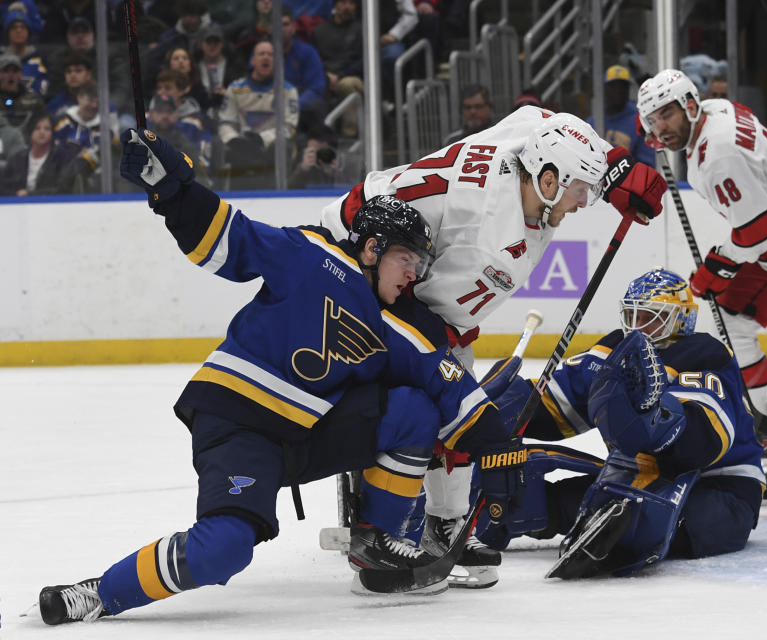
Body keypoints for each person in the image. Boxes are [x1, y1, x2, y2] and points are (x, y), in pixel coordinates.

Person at [36, 128, 516, 624]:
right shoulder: (311, 255)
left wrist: (503, 454)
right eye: (407, 259)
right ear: (372, 248)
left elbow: (452, 388)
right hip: (239, 424)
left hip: (305, 436)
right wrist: (173, 189)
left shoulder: (404, 321)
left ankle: (374, 544)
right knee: (223, 549)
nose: (414, 274)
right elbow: (229, 237)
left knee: (414, 407)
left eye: (420, 265)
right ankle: (97, 592)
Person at [319, 106, 669, 586]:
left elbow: (541, 115)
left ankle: (445, 525)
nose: (586, 202)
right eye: (579, 190)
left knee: (455, 400)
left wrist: (615, 166)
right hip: (352, 264)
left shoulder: (529, 144)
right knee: (431, 405)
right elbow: (429, 318)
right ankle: (382, 531)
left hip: (381, 228)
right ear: (548, 181)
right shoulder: (492, 243)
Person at [474, 268, 764, 577]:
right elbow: (560, 402)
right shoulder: (614, 352)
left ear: (681, 319)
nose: (639, 327)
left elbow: (705, 440)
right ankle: (489, 514)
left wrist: (656, 420)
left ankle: (632, 532)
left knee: (698, 520)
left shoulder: (704, 354)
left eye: (651, 317)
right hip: (641, 477)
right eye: (632, 315)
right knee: (545, 496)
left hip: (721, 487)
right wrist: (505, 408)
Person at [637, 68, 767, 430]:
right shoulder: (717, 110)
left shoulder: (718, 156)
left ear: (690, 105)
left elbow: (760, 232)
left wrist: (718, 265)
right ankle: (759, 423)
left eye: (667, 114)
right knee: (735, 320)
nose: (660, 128)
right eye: (651, 120)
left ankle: (758, 428)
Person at [218, 39, 298, 190]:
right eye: (261, 54)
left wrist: (262, 138)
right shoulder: (236, 89)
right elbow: (225, 123)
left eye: (270, 54)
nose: (266, 57)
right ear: (253, 60)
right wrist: (233, 139)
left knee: (283, 148)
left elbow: (289, 127)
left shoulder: (288, 90)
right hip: (241, 148)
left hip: (271, 148)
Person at [311, 0, 363, 137]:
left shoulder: (362, 30)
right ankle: (319, 135)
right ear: (335, 5)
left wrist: (340, 76)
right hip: (326, 76)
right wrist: (327, 76)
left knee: (347, 84)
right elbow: (315, 60)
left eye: (351, 3)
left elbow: (363, 62)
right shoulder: (319, 31)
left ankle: (349, 135)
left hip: (354, 77)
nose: (347, 7)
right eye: (343, 3)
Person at [587, 64, 655, 168]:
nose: (618, 91)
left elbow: (646, 165)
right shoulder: (594, 121)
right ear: (605, 89)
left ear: (628, 90)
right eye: (613, 86)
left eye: (622, 86)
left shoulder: (639, 121)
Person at [0, 111, 75, 195]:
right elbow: (3, 188)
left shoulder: (62, 157)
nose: (42, 132)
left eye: (47, 129)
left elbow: (63, 189)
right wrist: (16, 194)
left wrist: (30, 194)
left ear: (53, 133)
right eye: (37, 128)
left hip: (51, 205)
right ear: (30, 131)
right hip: (17, 205)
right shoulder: (17, 159)